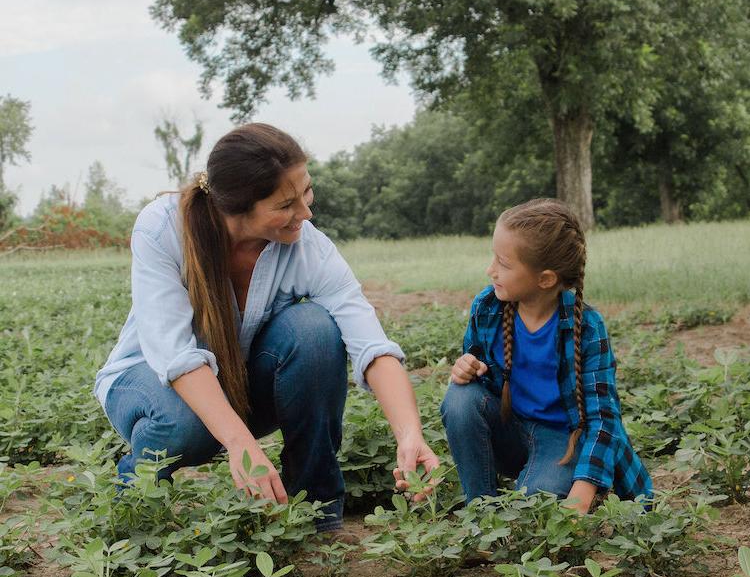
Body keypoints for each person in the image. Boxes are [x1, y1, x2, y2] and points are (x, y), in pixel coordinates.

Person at [95, 123, 439, 532]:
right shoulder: (163, 228)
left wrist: (409, 435)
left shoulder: (308, 247)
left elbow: (371, 344)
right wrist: (243, 446)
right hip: (148, 381)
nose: (306, 213)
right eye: (286, 204)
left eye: (306, 192)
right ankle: (137, 511)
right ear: (236, 208)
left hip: (235, 384)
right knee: (186, 424)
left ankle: (315, 513)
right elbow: (175, 356)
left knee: (313, 329)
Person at [441, 198, 651, 513]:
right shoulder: (488, 308)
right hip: (510, 429)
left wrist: (581, 492)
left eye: (504, 263)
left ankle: (553, 485)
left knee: (534, 508)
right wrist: (466, 369)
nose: (491, 270)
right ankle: (481, 514)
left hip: (562, 443)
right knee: (459, 398)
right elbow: (477, 380)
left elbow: (603, 421)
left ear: (545, 279)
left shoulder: (586, 328)